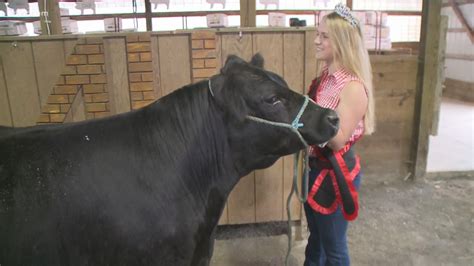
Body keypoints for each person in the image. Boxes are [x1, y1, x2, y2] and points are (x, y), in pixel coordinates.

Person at [304, 3, 375, 266]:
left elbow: (337, 138)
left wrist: (302, 120)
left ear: (342, 42)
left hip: (334, 173)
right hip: (315, 168)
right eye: (317, 34)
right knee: (317, 240)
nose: (316, 41)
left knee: (334, 249)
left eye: (324, 36)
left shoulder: (352, 87)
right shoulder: (325, 78)